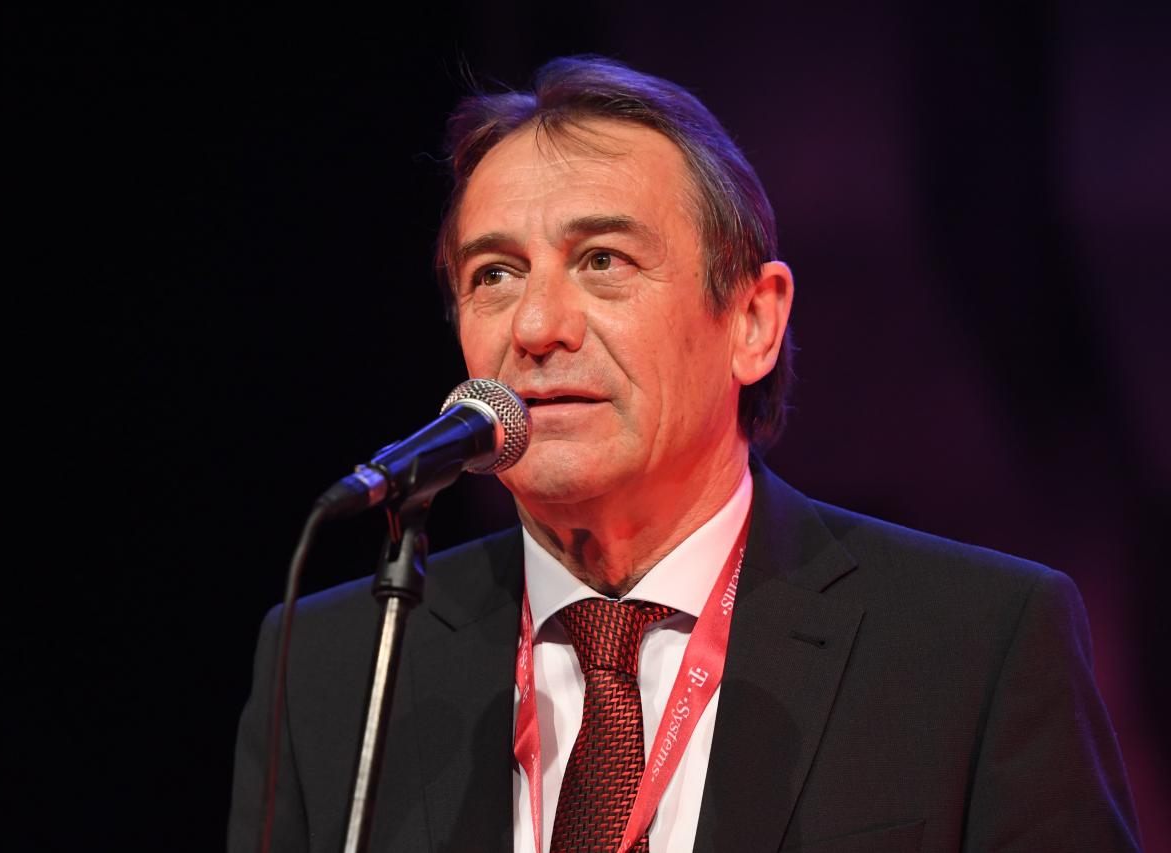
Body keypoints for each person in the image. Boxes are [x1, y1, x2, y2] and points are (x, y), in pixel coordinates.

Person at [228, 56, 1141, 852]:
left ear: (753, 322)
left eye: (603, 260)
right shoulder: (336, 667)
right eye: (494, 274)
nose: (536, 327)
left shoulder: (972, 646)